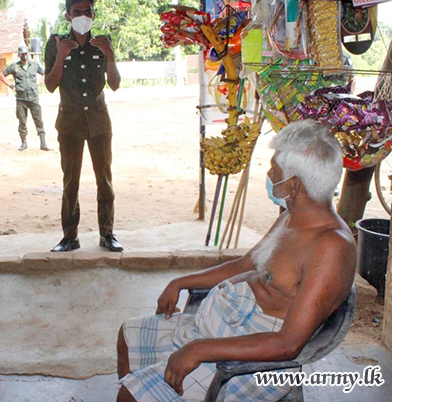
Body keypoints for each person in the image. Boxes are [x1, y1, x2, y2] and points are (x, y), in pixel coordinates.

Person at [116, 120, 357, 401]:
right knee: (128, 334)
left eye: (274, 169)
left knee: (129, 396)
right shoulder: (292, 218)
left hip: (254, 359)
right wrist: (179, 282)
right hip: (222, 327)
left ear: (293, 185)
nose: (269, 174)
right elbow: (245, 266)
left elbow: (288, 343)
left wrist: (200, 349)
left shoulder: (331, 247)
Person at [44, 0, 123, 253]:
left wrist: (110, 56)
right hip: (70, 123)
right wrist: (60, 56)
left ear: (93, 14)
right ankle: (70, 237)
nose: (83, 16)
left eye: (87, 11)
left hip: (99, 122)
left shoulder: (103, 43)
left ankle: (107, 235)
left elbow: (115, 84)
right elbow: (50, 85)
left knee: (105, 181)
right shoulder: (56, 43)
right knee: (71, 182)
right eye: (77, 12)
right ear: (68, 16)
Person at [0, 45, 51, 151]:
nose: (25, 56)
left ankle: (43, 143)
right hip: (21, 99)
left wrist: (38, 83)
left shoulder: (34, 65)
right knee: (22, 121)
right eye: (22, 54)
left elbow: (45, 73)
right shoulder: (14, 66)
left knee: (38, 120)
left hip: (33, 97)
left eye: (26, 54)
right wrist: (11, 86)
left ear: (28, 54)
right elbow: (1, 76)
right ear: (19, 55)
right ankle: (24, 143)